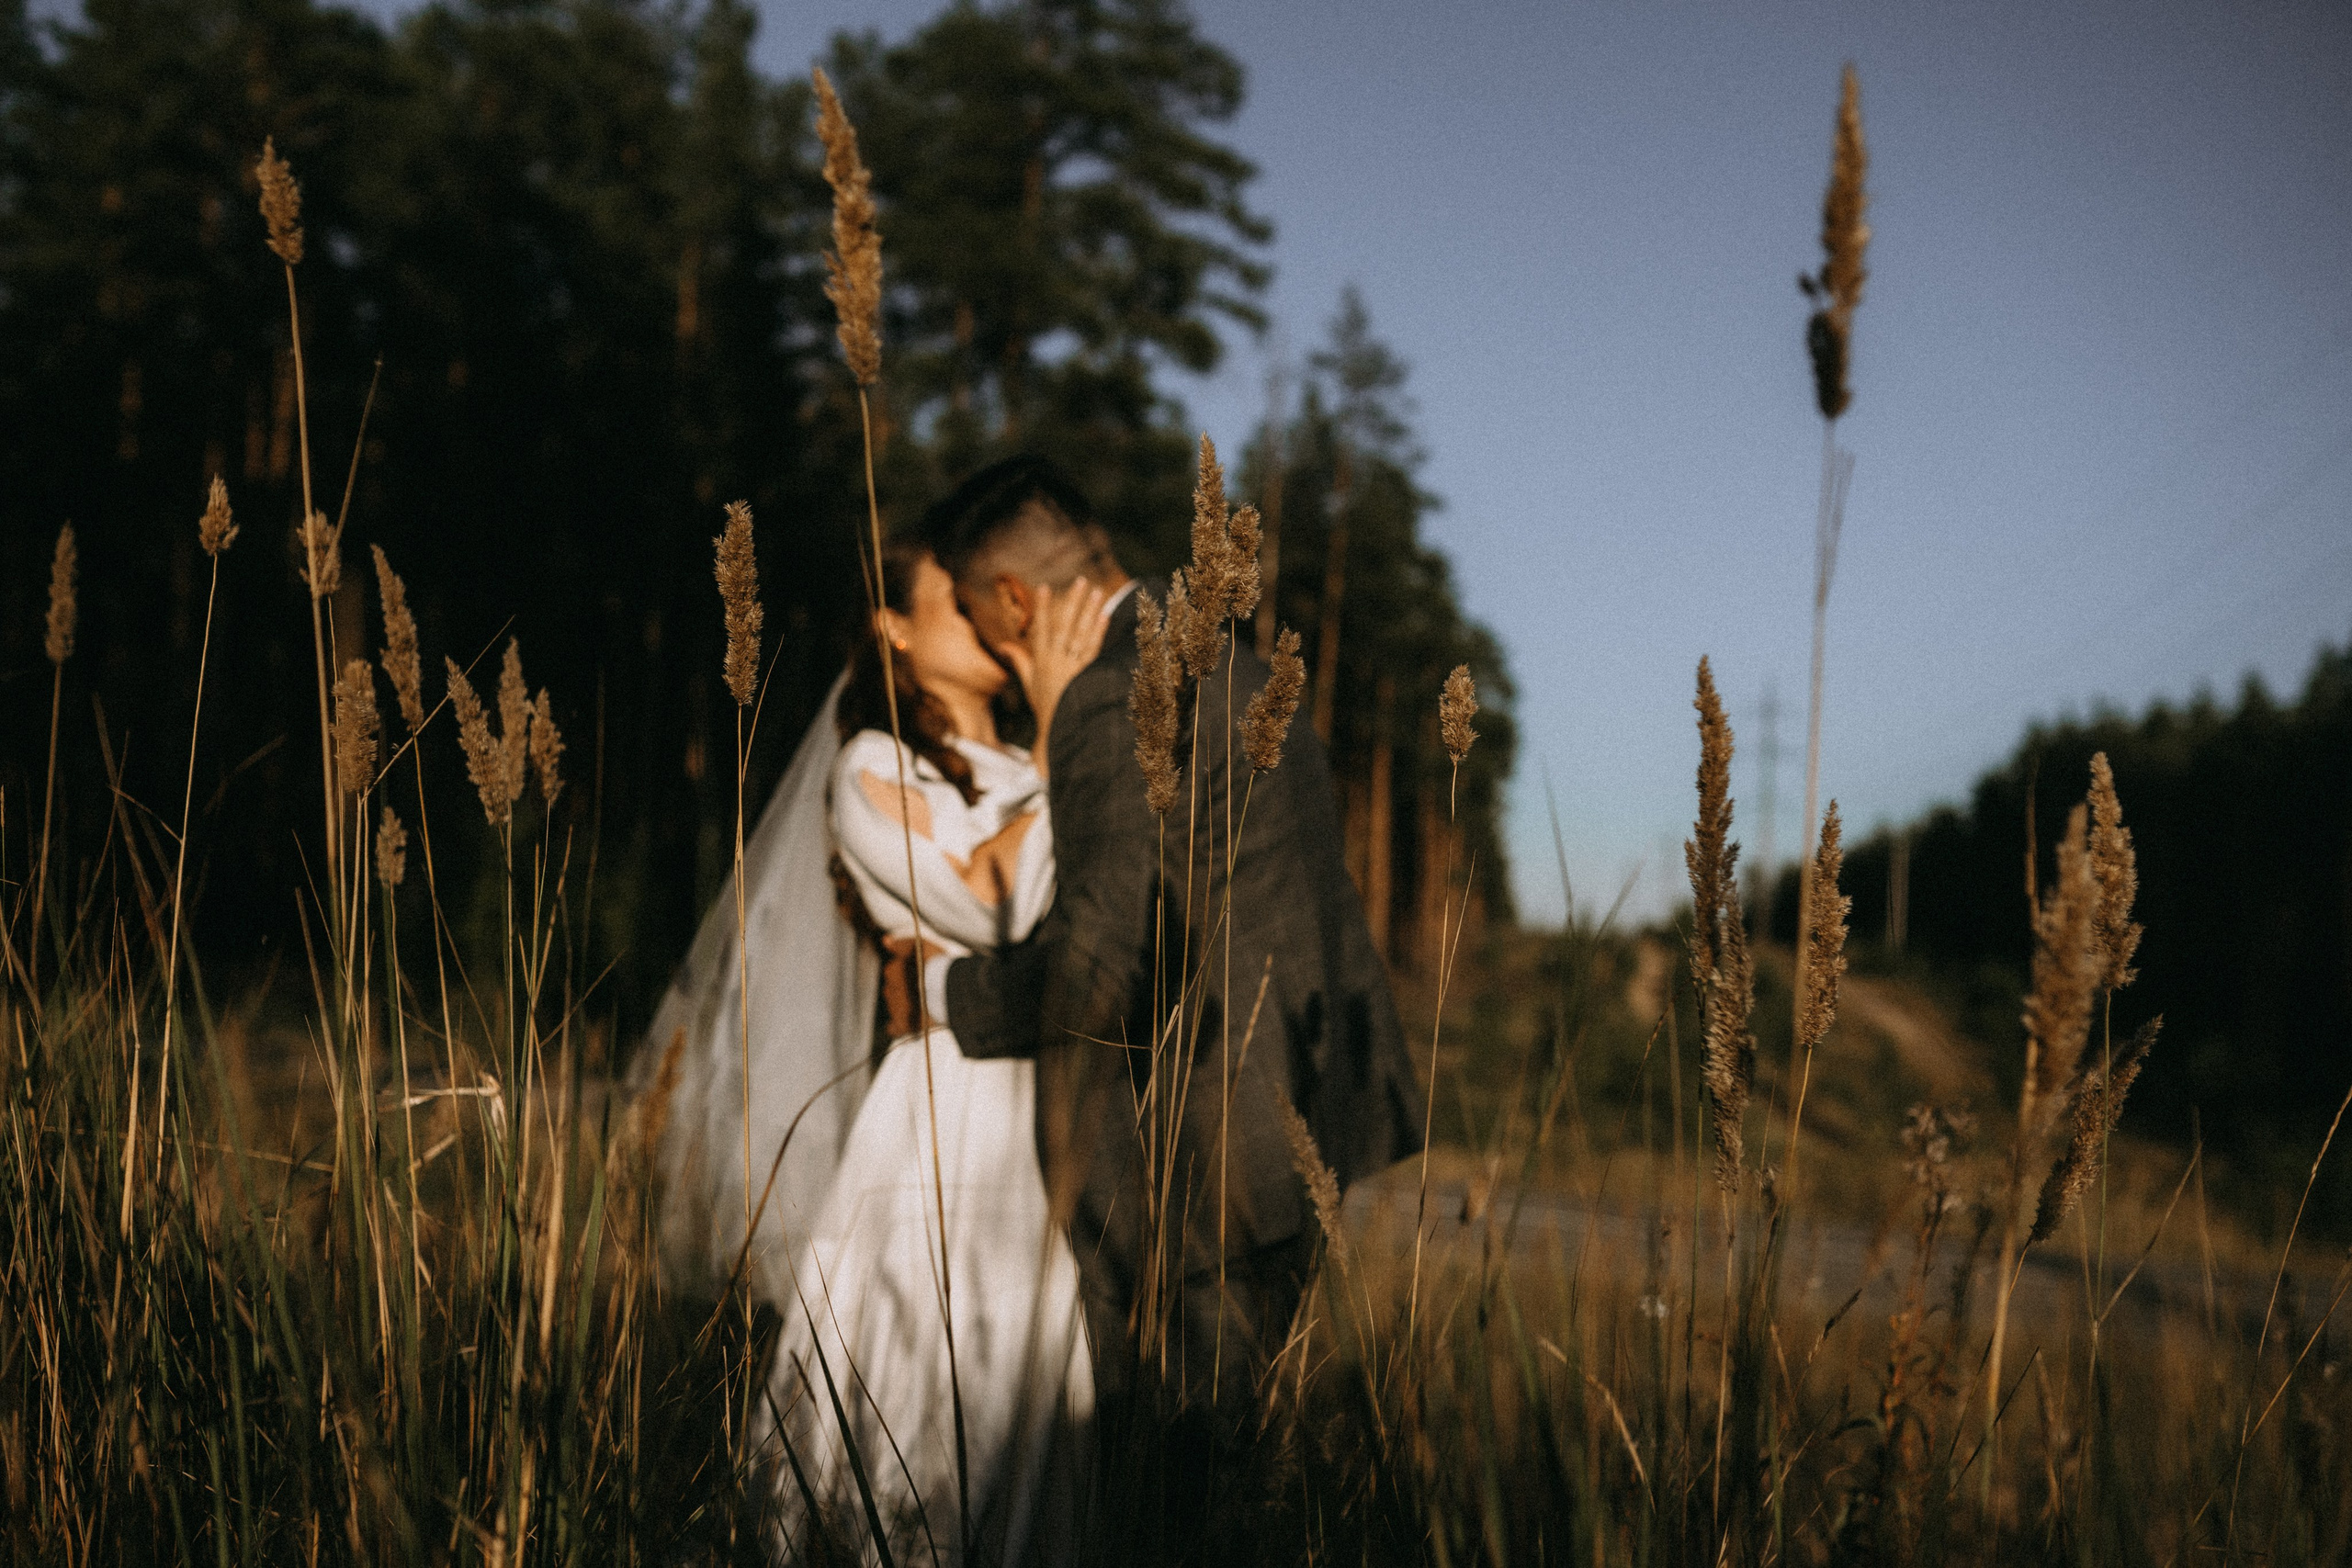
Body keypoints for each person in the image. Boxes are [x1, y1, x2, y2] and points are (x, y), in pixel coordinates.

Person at [899, 457, 1424, 1508]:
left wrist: (943, 994)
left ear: (1012, 599)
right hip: (1289, 1132)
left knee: (1158, 1492)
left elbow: (1100, 964)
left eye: (968, 610)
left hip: (1188, 1173)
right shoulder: (1221, 661)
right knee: (1226, 1477)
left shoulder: (1102, 702)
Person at [643, 535, 1108, 1562]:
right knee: (927, 1392)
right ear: (894, 627)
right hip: (951, 1109)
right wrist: (1064, 749)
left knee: (1030, 1391)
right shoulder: (873, 766)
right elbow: (989, 904)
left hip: (1062, 1109)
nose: (997, 617)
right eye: (961, 602)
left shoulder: (1050, 754)